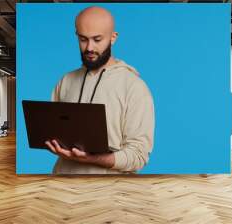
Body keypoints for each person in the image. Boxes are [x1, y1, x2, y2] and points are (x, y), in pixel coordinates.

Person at [45, 6, 155, 174]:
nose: (89, 48)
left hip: (110, 193)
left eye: (97, 39)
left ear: (113, 38)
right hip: (63, 187)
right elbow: (52, 132)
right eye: (83, 39)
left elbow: (138, 156)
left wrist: (92, 159)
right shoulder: (66, 81)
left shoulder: (134, 87)